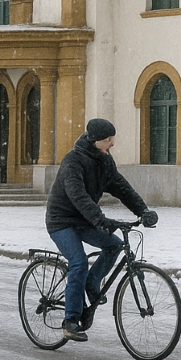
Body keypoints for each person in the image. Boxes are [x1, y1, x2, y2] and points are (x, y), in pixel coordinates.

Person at [46, 117, 158, 342]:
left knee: (114, 245)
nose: (112, 143)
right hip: (62, 222)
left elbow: (120, 187)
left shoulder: (105, 161)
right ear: (95, 140)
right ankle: (70, 321)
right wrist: (100, 219)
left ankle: (91, 282)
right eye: (108, 139)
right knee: (78, 262)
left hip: (86, 221)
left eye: (112, 138)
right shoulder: (73, 161)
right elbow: (78, 196)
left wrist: (142, 211)